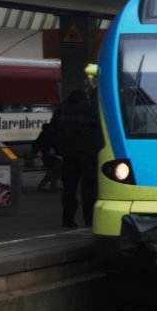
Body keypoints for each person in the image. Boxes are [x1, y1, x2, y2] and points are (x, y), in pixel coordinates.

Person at [52, 78, 101, 228]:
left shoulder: (62, 107)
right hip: (88, 154)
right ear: (89, 91)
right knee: (89, 189)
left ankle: (67, 220)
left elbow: (53, 127)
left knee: (69, 188)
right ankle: (89, 220)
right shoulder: (91, 107)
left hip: (68, 154)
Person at [32, 121, 61, 191]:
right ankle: (47, 185)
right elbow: (40, 146)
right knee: (56, 166)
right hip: (45, 157)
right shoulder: (48, 134)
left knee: (57, 166)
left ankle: (49, 184)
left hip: (47, 156)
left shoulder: (47, 132)